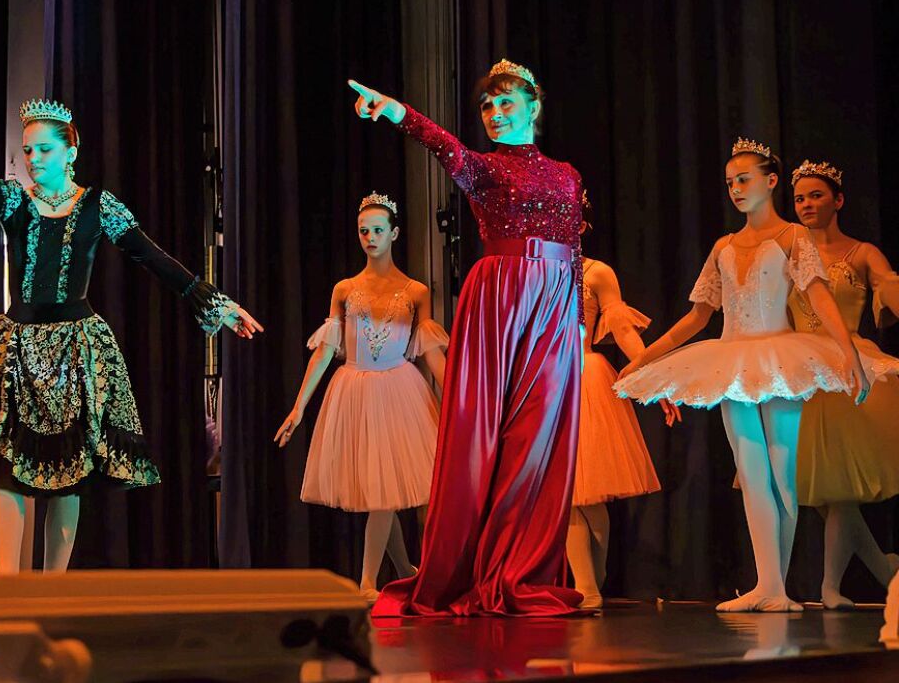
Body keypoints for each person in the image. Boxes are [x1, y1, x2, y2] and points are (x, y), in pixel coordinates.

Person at [0, 98, 262, 573]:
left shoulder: (99, 206)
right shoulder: (16, 200)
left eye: (44, 151)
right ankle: (9, 591)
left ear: (70, 152)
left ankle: (53, 591)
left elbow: (151, 256)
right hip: (16, 347)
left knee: (66, 474)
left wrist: (214, 302)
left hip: (75, 350)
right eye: (29, 151)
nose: (33, 160)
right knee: (4, 471)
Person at [350, 58, 586, 616]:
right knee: (488, 432)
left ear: (534, 106)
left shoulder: (568, 174)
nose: (495, 114)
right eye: (488, 106)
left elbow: (575, 247)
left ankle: (518, 569)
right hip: (500, 297)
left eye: (507, 103)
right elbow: (444, 147)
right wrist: (400, 114)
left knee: (537, 440)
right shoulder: (481, 166)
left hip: (555, 305)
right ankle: (474, 568)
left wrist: (576, 319)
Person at [616, 138, 871, 612]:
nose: (735, 188)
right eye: (730, 182)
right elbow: (696, 318)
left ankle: (779, 589)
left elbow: (818, 296)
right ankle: (767, 584)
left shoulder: (793, 237)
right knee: (752, 473)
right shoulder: (723, 247)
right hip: (731, 359)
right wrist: (645, 358)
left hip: (780, 358)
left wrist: (849, 353)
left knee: (782, 471)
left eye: (744, 179)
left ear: (771, 181)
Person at [276, 192, 448, 603]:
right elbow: (324, 350)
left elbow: (431, 353)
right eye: (363, 231)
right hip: (354, 390)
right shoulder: (345, 288)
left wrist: (456, 396)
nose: (370, 237)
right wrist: (300, 406)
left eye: (377, 230)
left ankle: (369, 581)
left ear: (394, 233)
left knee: (382, 491)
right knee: (378, 488)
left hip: (399, 390)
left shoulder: (416, 291)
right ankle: (404, 570)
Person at [789, 159, 899, 609]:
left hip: (844, 366)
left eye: (816, 195)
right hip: (797, 365)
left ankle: (829, 587)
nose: (806, 204)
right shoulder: (788, 252)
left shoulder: (861, 252)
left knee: (834, 488)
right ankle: (881, 565)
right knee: (815, 487)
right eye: (799, 198)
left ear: (838, 200)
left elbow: (887, 282)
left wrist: (890, 288)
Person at [568, 191, 680, 609]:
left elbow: (622, 329)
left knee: (588, 494)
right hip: (546, 384)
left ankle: (594, 576)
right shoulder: (533, 270)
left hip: (584, 378)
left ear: (581, 226)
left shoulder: (597, 273)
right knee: (565, 493)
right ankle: (588, 587)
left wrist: (655, 380)